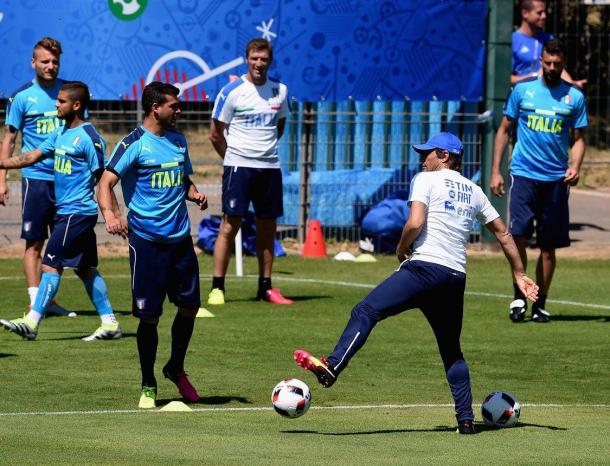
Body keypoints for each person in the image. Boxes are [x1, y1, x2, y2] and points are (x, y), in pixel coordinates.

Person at [293, 132, 539, 434]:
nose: (422, 159)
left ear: (445, 156)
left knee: (365, 311)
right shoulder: (474, 190)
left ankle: (332, 366)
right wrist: (518, 273)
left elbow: (415, 222)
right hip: (455, 277)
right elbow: (503, 233)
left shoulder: (426, 180)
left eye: (428, 153)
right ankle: (465, 420)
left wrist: (400, 249)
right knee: (451, 349)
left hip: (423, 269)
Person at [97, 81, 208, 409]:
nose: (179, 110)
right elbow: (105, 183)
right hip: (146, 243)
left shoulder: (178, 141)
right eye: (174, 105)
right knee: (149, 316)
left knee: (189, 307)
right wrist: (111, 215)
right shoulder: (133, 143)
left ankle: (175, 367)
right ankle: (148, 381)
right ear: (154, 108)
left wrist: (195, 193)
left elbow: (181, 178)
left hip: (180, 241)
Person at [0, 81, 122, 341]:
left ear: (76, 105)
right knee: (86, 268)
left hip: (77, 213)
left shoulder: (91, 138)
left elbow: (105, 181)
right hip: (65, 212)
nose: (56, 104)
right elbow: (30, 157)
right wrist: (1, 164)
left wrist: (113, 214)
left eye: (61, 101)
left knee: (49, 265)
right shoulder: (60, 132)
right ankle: (110, 323)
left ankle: (32, 323)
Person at [492, 39, 587, 323]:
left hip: (556, 179)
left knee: (549, 246)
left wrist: (576, 166)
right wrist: (496, 170)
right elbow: (504, 130)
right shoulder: (522, 91)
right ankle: (520, 296)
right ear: (541, 61)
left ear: (564, 64)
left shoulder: (574, 97)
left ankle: (540, 303)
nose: (552, 67)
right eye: (548, 62)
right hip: (523, 174)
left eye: (557, 64)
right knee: (516, 235)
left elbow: (580, 139)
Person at [207, 38, 292, 306]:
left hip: (269, 169)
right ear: (247, 59)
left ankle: (265, 288)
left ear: (270, 61)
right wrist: (233, 158)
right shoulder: (232, 91)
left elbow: (279, 127)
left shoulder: (280, 91)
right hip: (238, 168)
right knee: (229, 226)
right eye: (254, 58)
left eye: (263, 59)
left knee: (268, 228)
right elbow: (215, 134)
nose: (258, 64)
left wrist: (262, 151)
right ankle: (217, 287)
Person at [0, 37, 74, 317]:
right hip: (35, 179)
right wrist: (2, 180)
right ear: (33, 63)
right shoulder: (21, 97)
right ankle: (35, 301)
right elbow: (8, 140)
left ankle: (49, 300)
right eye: (45, 61)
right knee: (34, 243)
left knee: (60, 243)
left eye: (55, 61)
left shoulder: (69, 94)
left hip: (66, 180)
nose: (51, 66)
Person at [511, 0, 585, 88]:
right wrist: (534, 76)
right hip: (522, 97)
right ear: (525, 13)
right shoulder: (512, 40)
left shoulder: (549, 39)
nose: (544, 16)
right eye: (539, 13)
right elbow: (504, 79)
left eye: (544, 12)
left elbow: (558, 68)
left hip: (546, 96)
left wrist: (572, 85)